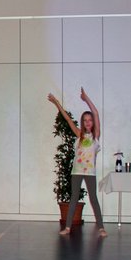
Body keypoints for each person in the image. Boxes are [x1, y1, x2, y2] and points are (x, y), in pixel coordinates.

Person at [48, 88, 107, 237]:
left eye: (90, 120)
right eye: (85, 120)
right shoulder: (79, 135)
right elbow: (68, 119)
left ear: (93, 122)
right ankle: (67, 227)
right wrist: (56, 103)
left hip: (90, 172)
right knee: (74, 198)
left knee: (93, 199)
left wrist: (86, 99)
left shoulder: (95, 136)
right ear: (82, 122)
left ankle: (101, 227)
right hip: (77, 171)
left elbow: (96, 113)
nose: (88, 122)